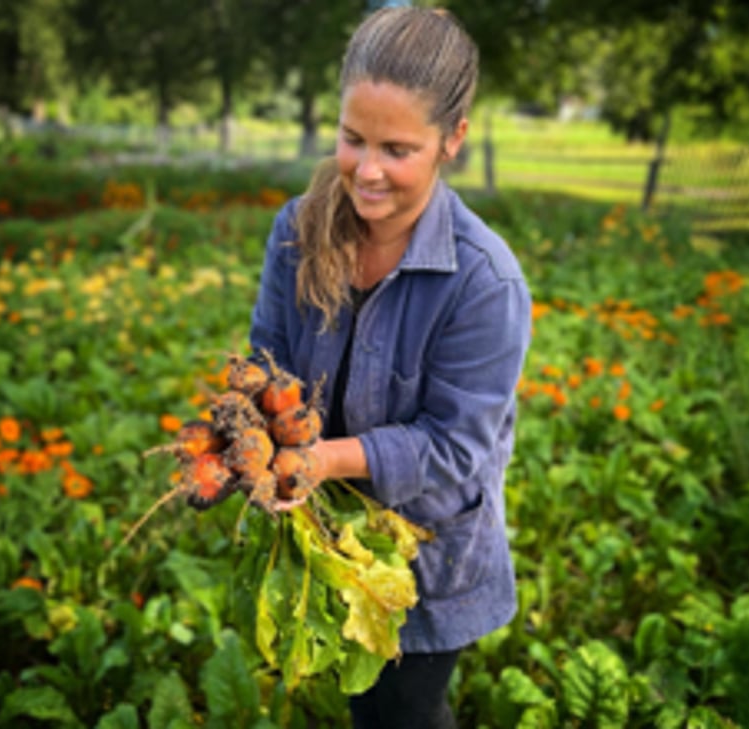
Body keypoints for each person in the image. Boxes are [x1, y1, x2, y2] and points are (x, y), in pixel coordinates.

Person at [247, 7, 531, 728]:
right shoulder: (296, 231)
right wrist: (249, 432)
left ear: (453, 140)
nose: (366, 171)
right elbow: (265, 360)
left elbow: (456, 445)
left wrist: (319, 458)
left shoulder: (483, 281)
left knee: (403, 713)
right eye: (352, 139)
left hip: (428, 561)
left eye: (397, 149)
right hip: (322, 532)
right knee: (359, 700)